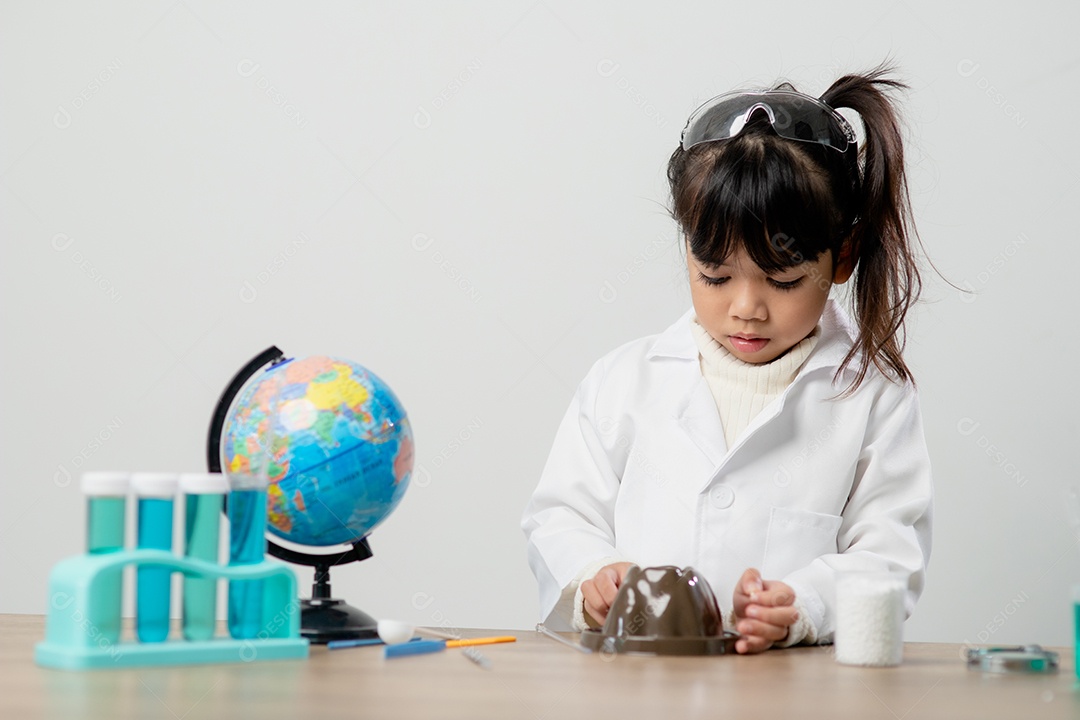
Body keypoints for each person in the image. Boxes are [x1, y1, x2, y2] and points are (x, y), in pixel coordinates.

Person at [521, 65, 933, 654]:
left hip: (792, 693)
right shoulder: (621, 383)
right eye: (715, 276)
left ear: (842, 258)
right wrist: (591, 577)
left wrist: (803, 605)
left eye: (783, 280)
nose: (746, 308)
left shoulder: (873, 397)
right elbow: (560, 517)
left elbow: (890, 555)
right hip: (639, 685)